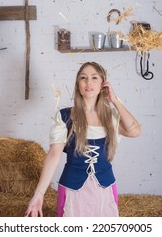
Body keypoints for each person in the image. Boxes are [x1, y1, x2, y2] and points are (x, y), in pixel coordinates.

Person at [25, 61, 141, 217]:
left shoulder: (110, 117)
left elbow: (135, 131)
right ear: (77, 84)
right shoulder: (65, 116)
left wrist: (114, 100)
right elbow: (54, 154)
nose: (88, 82)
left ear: (103, 85)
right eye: (83, 78)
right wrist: (39, 193)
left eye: (94, 78)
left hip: (104, 188)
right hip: (72, 188)